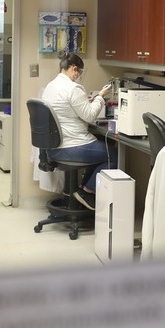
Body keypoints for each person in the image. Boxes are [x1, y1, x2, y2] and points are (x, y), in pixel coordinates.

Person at [41, 52, 116, 210]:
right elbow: (89, 116)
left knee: (100, 150)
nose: (79, 76)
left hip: (53, 147)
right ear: (74, 69)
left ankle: (84, 190)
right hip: (72, 146)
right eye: (80, 72)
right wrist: (100, 96)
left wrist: (84, 100)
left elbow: (64, 107)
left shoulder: (51, 86)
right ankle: (87, 191)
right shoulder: (73, 88)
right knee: (113, 154)